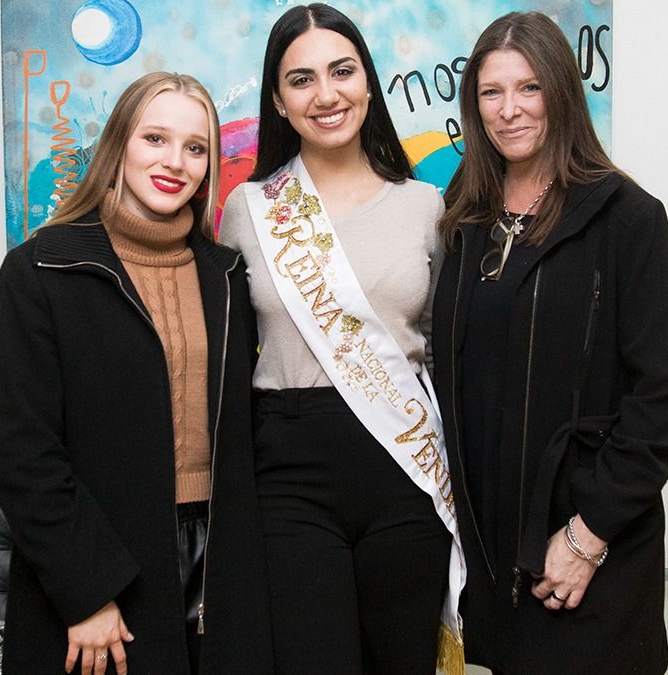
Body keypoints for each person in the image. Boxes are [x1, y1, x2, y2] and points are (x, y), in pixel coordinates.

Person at [431, 11, 668, 674]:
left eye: (528, 88)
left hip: (588, 550)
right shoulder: (465, 218)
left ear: (562, 92)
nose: (509, 109)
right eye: (491, 93)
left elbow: (667, 397)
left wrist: (587, 536)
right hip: (493, 560)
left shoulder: (627, 217)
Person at [0, 72, 272, 675]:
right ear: (119, 146)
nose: (176, 162)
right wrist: (85, 589)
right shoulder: (40, 270)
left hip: (223, 559)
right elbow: (19, 450)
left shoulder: (227, 277)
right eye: (155, 139)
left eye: (196, 148)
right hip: (107, 558)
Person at [218, 4, 465, 673]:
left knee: (403, 661)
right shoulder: (247, 212)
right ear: (277, 99)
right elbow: (228, 362)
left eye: (342, 71)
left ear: (367, 81)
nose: (325, 94)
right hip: (289, 468)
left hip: (402, 462)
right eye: (301, 80)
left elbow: (445, 354)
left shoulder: (425, 206)